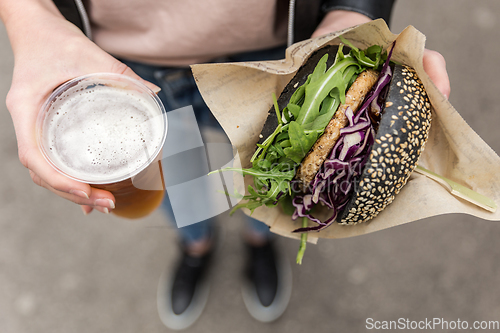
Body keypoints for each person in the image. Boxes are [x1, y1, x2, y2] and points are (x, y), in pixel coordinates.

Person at [0, 0, 450, 329]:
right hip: (128, 67)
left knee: (271, 180)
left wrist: (351, 10)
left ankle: (260, 241)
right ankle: (196, 247)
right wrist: (29, 17)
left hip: (284, 53)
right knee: (176, 181)